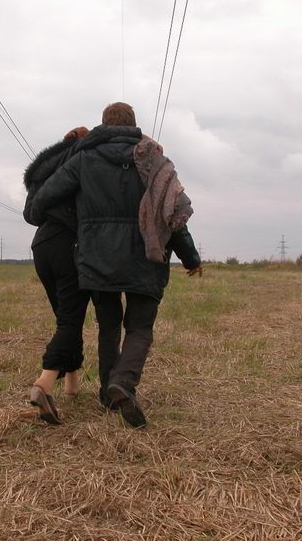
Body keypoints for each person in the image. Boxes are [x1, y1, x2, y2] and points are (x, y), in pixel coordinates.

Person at [30, 102, 202, 428]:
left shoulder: (83, 159)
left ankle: (110, 395)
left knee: (108, 326)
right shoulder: (155, 160)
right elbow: (173, 215)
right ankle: (122, 382)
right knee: (140, 328)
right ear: (133, 125)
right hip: (147, 259)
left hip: (98, 261)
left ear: (104, 125)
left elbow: (40, 203)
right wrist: (191, 258)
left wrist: (75, 223)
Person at [23, 126, 91, 425]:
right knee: (70, 319)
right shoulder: (82, 163)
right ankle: (44, 382)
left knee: (66, 316)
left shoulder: (44, 170)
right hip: (69, 246)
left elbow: (31, 214)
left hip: (42, 245)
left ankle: (72, 384)